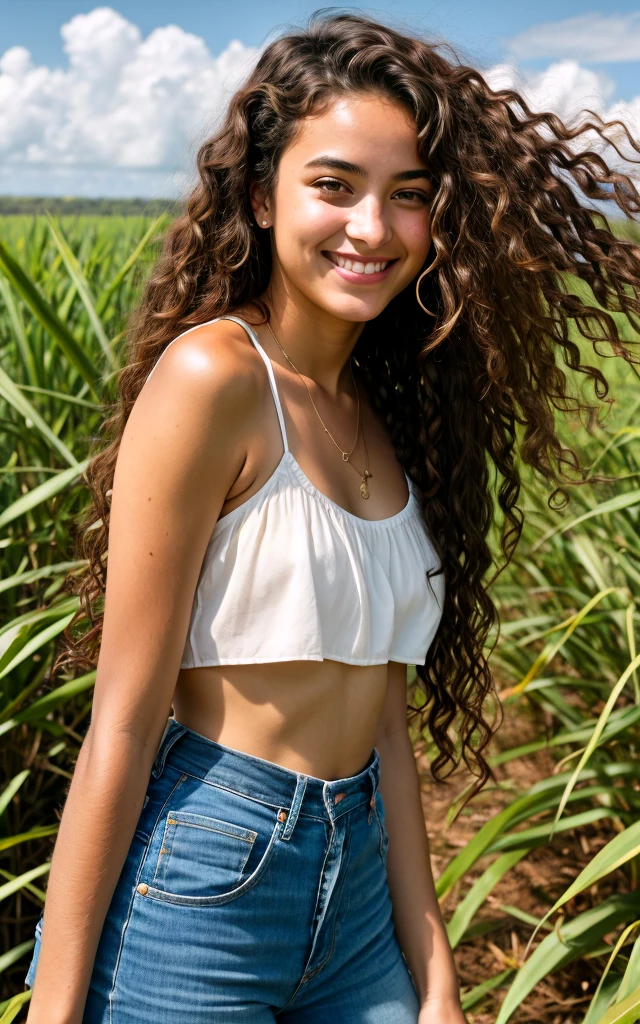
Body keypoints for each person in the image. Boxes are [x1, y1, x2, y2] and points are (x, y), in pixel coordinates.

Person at [23, 11, 640, 1024]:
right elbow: (123, 721)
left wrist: (433, 963)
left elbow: (381, 721)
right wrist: (54, 1008)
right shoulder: (212, 377)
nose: (371, 227)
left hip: (356, 892)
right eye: (334, 185)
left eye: (408, 198)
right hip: (206, 877)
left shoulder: (381, 414)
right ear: (262, 196)